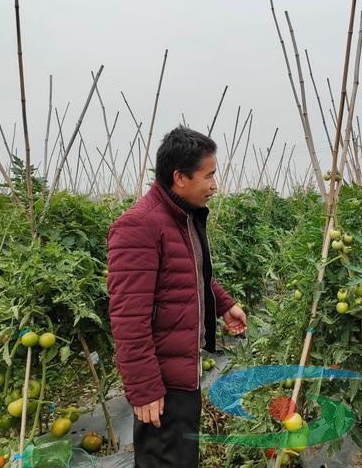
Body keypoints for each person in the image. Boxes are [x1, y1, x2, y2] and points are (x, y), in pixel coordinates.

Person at [107, 126, 247, 468]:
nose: (215, 185)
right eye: (209, 176)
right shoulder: (139, 225)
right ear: (180, 177)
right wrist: (144, 388)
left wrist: (225, 304)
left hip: (182, 368)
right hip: (162, 383)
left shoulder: (180, 217)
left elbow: (190, 274)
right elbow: (128, 318)